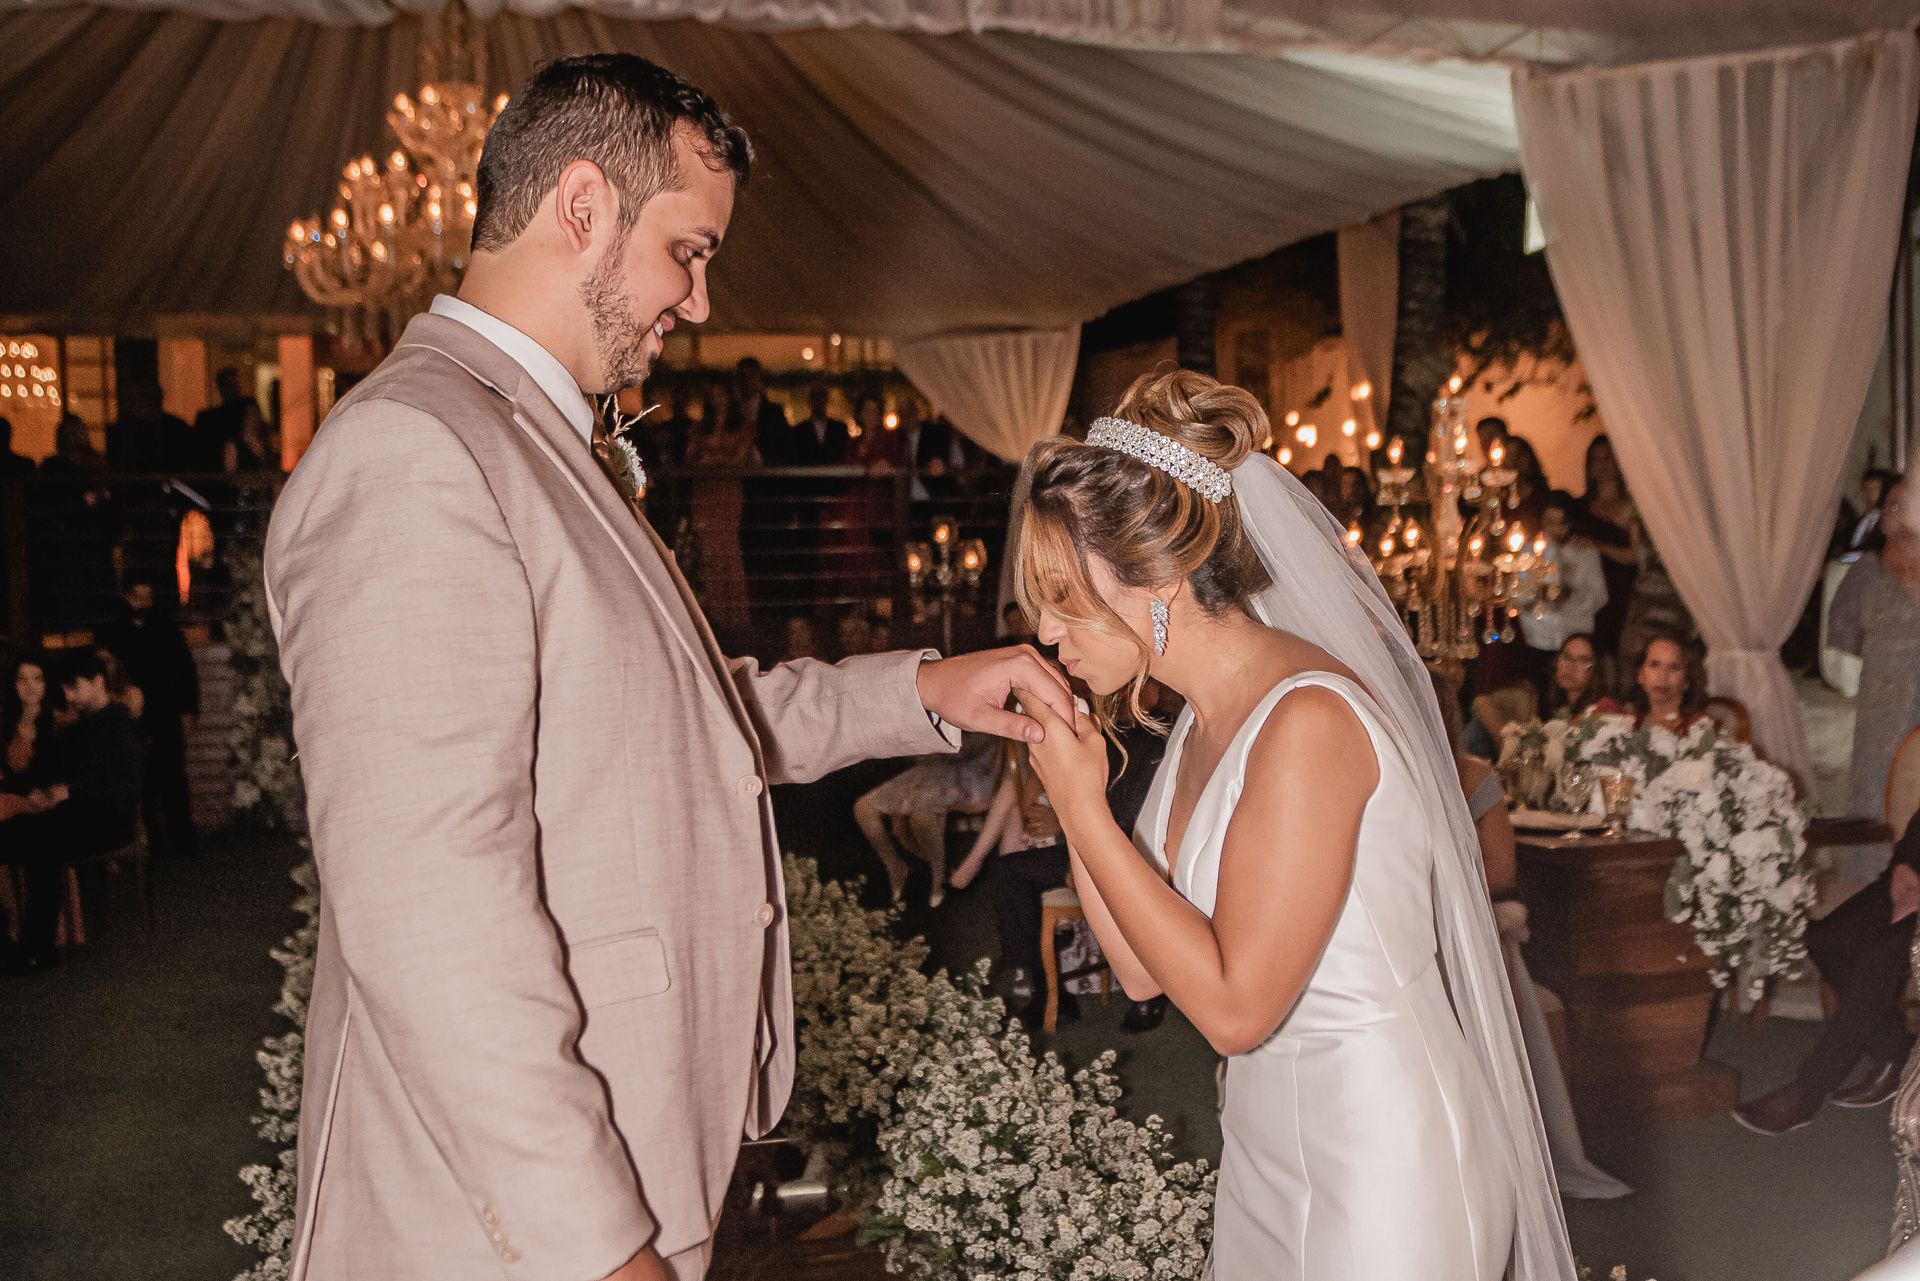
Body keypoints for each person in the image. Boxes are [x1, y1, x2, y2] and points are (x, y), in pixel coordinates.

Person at [262, 54, 1076, 1281]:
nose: (697, 302)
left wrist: (918, 691)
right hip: (501, 1227)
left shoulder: (532, 435)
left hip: (640, 1139)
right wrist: (600, 1250)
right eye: (688, 252)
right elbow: (429, 912)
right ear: (582, 206)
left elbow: (667, 716)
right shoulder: (416, 454)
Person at [1014, 369, 1572, 1280]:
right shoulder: (1198, 719)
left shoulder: (1308, 721)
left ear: (1159, 576)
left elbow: (1235, 1008)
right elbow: (1141, 967)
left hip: (1386, 1161)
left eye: (1062, 594)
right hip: (1270, 1150)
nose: (1044, 628)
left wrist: (1085, 806)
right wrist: (1075, 803)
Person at [1740, 810, 1920, 1137]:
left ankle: (1808, 1091)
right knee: (1828, 940)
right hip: (1913, 880)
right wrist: (1904, 865)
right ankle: (1895, 1050)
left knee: (1879, 960)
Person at [0, 649, 144, 976]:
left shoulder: (120, 726)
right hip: (73, 817)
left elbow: (127, 789)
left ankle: (36, 946)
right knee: (19, 835)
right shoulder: (78, 730)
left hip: (109, 821)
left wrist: (71, 791)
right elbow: (39, 772)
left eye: (73, 686)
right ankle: (26, 944)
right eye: (64, 688)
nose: (67, 695)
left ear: (97, 682)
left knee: (41, 842)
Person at [1830, 481, 1920, 849]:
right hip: (1879, 706)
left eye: (1907, 507)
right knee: (1877, 788)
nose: (1898, 517)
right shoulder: (1865, 572)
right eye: (1892, 508)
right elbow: (1842, 635)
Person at [99, 576, 201, 859]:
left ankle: (183, 842)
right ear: (126, 597)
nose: (143, 604)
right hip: (131, 717)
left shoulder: (167, 629)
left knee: (174, 779)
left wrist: (189, 709)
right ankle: (151, 843)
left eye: (148, 597)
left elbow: (185, 671)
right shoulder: (113, 632)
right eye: (138, 597)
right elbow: (105, 675)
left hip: (166, 714)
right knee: (143, 781)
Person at [851, 730, 999, 906]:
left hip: (970, 775)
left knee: (922, 814)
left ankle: (938, 877)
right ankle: (895, 867)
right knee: (864, 808)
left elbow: (968, 749)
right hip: (929, 771)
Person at [1517, 492, 1608, 691]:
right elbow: (1517, 595)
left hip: (1574, 635)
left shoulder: (1585, 552)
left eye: (1561, 524)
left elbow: (1600, 596)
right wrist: (1538, 594)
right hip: (1539, 638)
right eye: (1549, 522)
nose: (1555, 530)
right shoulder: (1529, 551)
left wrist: (1571, 597)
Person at [1575, 436, 1638, 657]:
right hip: (1588, 591)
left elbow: (1637, 555)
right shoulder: (1579, 508)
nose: (1602, 464)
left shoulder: (1633, 507)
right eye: (1596, 459)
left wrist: (1598, 546)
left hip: (1623, 588)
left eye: (1608, 458)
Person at [1595, 633, 1708, 734]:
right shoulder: (1623, 721)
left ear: (1686, 680)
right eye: (1654, 665)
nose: (1662, 676)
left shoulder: (1698, 729)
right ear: (1640, 675)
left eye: (1673, 667)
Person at [193, 366, 269, 472]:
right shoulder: (212, 420)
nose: (233, 387)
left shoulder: (263, 443)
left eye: (235, 383)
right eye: (228, 384)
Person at [1542, 634, 1609, 720]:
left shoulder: (1603, 710)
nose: (1570, 666)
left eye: (1583, 660)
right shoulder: (1548, 706)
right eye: (1566, 657)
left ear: (1597, 669)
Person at [790, 385, 852, 466]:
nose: (818, 403)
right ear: (810, 402)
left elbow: (845, 453)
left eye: (821, 399)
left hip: (834, 474)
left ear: (826, 401)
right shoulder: (799, 431)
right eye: (815, 399)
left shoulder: (839, 428)